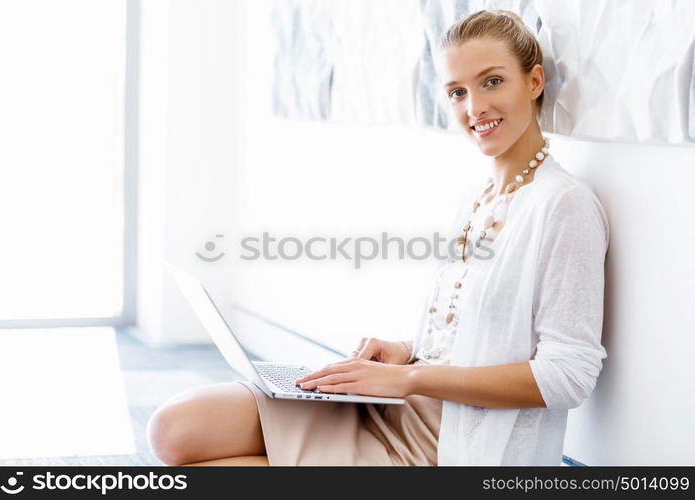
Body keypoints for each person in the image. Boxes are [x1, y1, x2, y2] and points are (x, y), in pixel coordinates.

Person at [146, 9, 609, 466]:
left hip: (450, 444)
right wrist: (405, 354)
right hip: (394, 403)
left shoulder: (564, 205)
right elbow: (464, 334)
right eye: (457, 91)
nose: (474, 107)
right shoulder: (478, 198)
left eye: (492, 82)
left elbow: (568, 376)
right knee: (174, 427)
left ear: (533, 82)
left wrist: (413, 379)